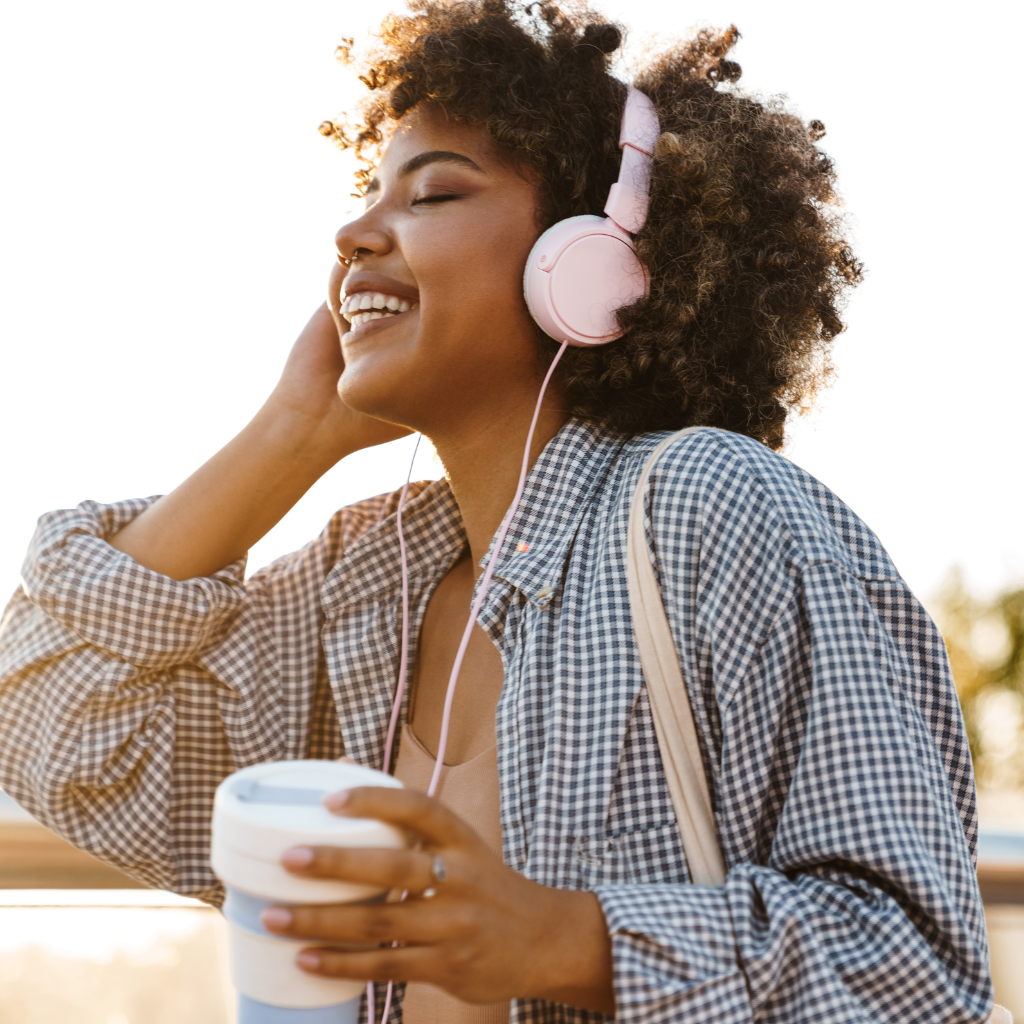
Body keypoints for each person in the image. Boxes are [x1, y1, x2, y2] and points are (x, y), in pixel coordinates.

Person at [0, 1, 996, 1021]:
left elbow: (915, 972)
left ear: (585, 264)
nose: (352, 232)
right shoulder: (367, 577)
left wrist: (563, 941)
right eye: (365, 194)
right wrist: (289, 433)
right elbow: (55, 728)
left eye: (430, 193)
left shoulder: (711, 506)